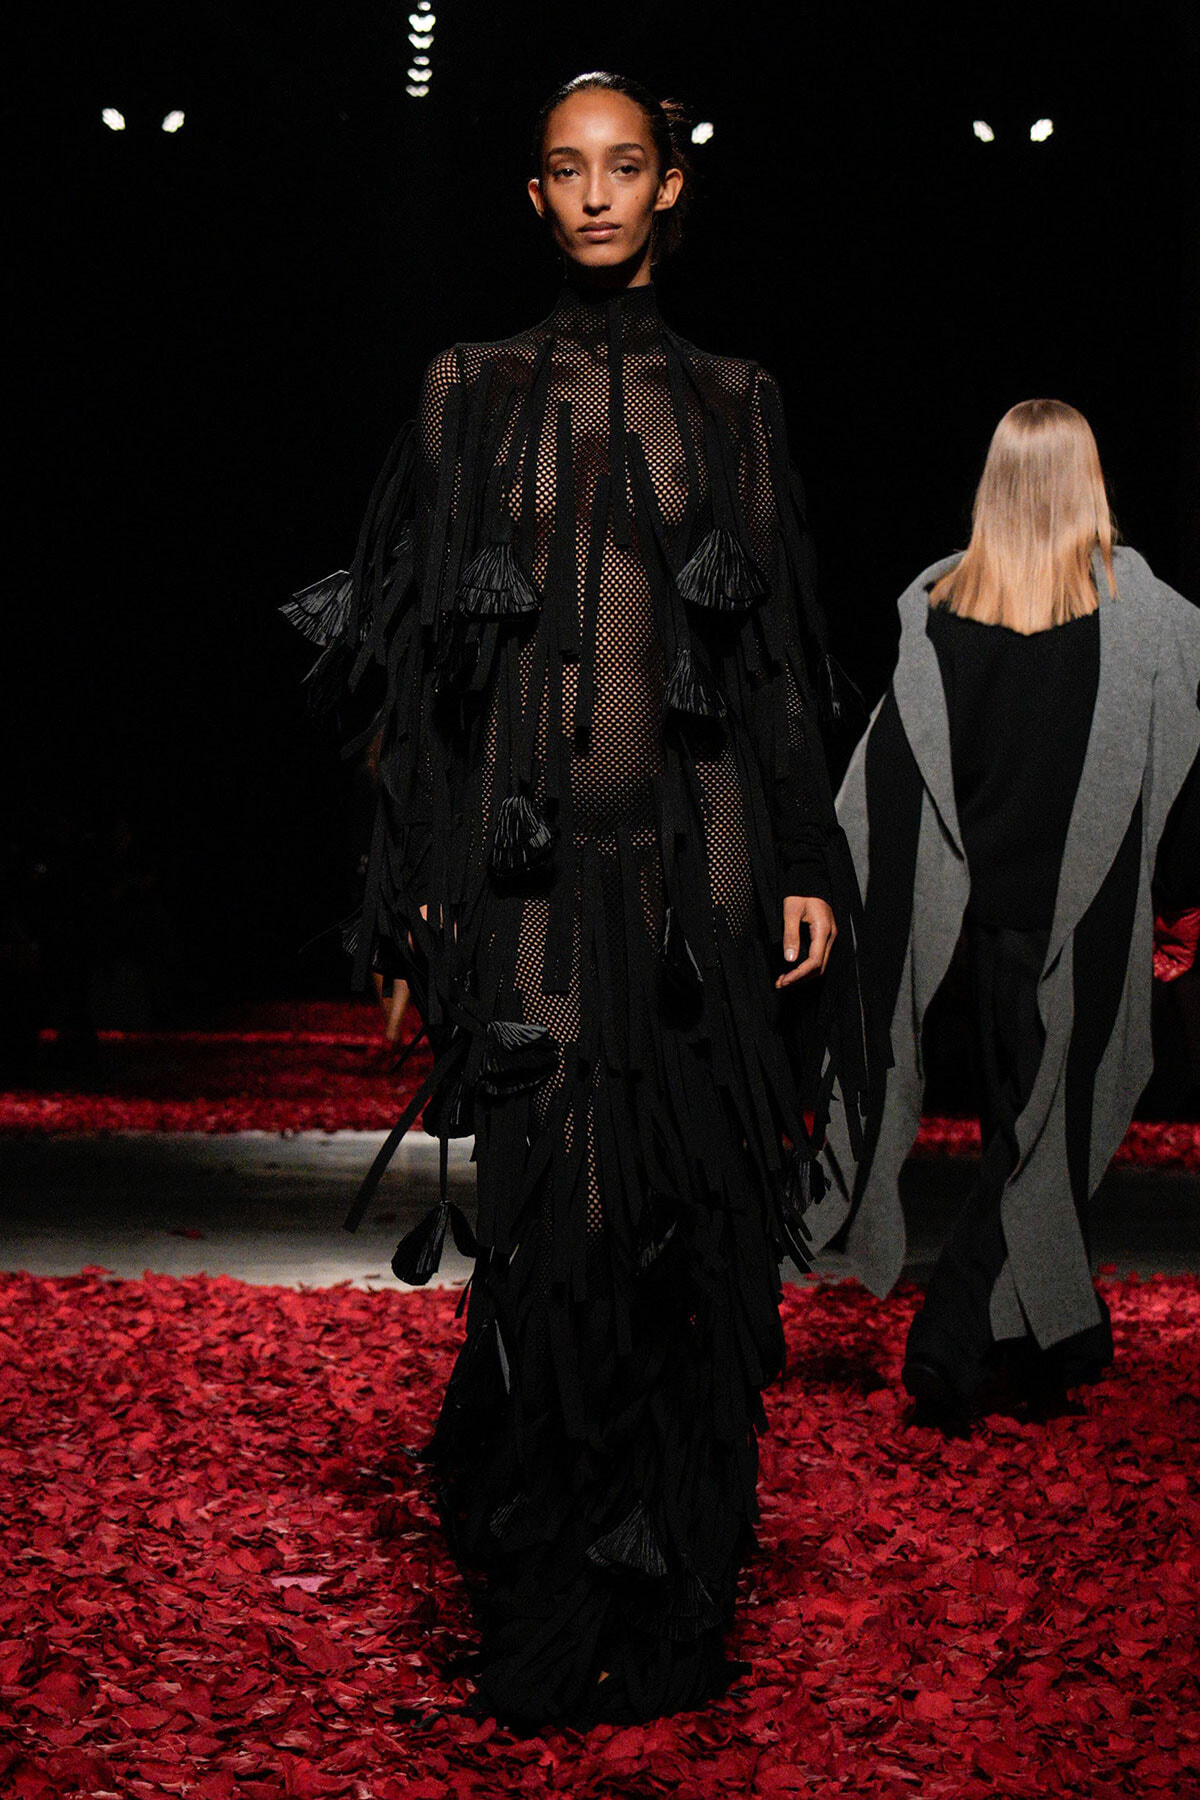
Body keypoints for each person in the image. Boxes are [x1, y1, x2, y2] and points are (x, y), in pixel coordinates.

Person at [285, 71, 875, 1726]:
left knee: (691, 1234)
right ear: (536, 199)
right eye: (568, 170)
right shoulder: (465, 392)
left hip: (697, 870)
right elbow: (421, 670)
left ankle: (670, 1608)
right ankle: (545, 1601)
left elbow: (770, 670)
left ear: (671, 188)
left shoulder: (736, 402)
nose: (599, 194)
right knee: (566, 1228)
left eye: (627, 167)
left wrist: (803, 868)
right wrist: (412, 885)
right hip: (528, 889)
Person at [804, 399, 1200, 1424]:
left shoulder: (946, 615)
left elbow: (886, 783)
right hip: (1086, 927)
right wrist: (1177, 897)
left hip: (987, 928)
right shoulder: (1145, 617)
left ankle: (1050, 1343)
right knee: (1044, 1139)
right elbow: (1175, 778)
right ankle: (951, 1344)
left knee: (1022, 1131)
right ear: (1089, 480)